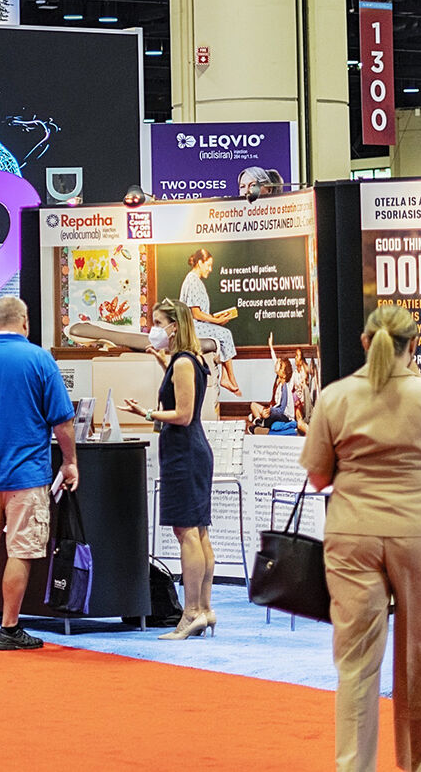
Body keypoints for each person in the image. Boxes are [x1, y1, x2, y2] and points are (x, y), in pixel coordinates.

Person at [303, 304, 421, 772]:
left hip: (353, 532)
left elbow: (317, 477)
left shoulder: (334, 398)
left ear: (365, 341)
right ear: (414, 345)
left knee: (355, 664)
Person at [0, 295, 78, 651]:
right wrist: (69, 462)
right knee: (20, 550)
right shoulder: (40, 360)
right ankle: (9, 628)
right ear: (25, 321)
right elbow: (62, 421)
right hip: (27, 476)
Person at [123, 305, 216, 639]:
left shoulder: (184, 362)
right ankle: (204, 608)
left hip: (185, 453)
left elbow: (184, 414)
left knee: (187, 532)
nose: (153, 329)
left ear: (174, 327)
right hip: (190, 452)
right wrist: (164, 366)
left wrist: (148, 413)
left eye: (158, 323)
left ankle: (191, 612)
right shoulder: (189, 360)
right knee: (198, 531)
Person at [178, 251, 243, 396]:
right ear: (200, 263)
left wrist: (217, 318)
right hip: (193, 327)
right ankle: (231, 379)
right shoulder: (193, 280)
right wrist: (217, 321)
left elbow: (200, 312)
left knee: (222, 333)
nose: (210, 269)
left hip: (196, 325)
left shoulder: (193, 280)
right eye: (208, 265)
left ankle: (225, 377)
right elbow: (196, 313)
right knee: (225, 334)